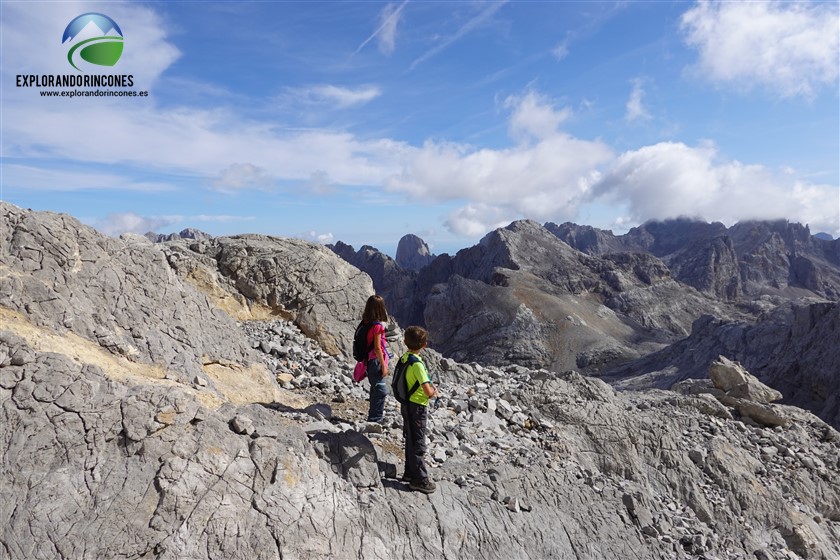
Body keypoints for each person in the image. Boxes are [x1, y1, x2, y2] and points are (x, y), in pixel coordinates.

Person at [397, 326, 438, 494]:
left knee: (410, 438)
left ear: (405, 342)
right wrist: (434, 391)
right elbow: (428, 391)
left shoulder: (405, 358)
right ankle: (419, 480)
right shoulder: (417, 364)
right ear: (424, 345)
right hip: (418, 406)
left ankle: (409, 472)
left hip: (406, 404)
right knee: (418, 442)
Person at [361, 295, 391, 423]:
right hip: (376, 362)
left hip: (369, 361)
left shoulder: (366, 323)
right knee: (381, 391)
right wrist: (384, 365)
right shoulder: (377, 327)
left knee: (375, 388)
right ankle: (375, 419)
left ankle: (373, 417)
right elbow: (378, 347)